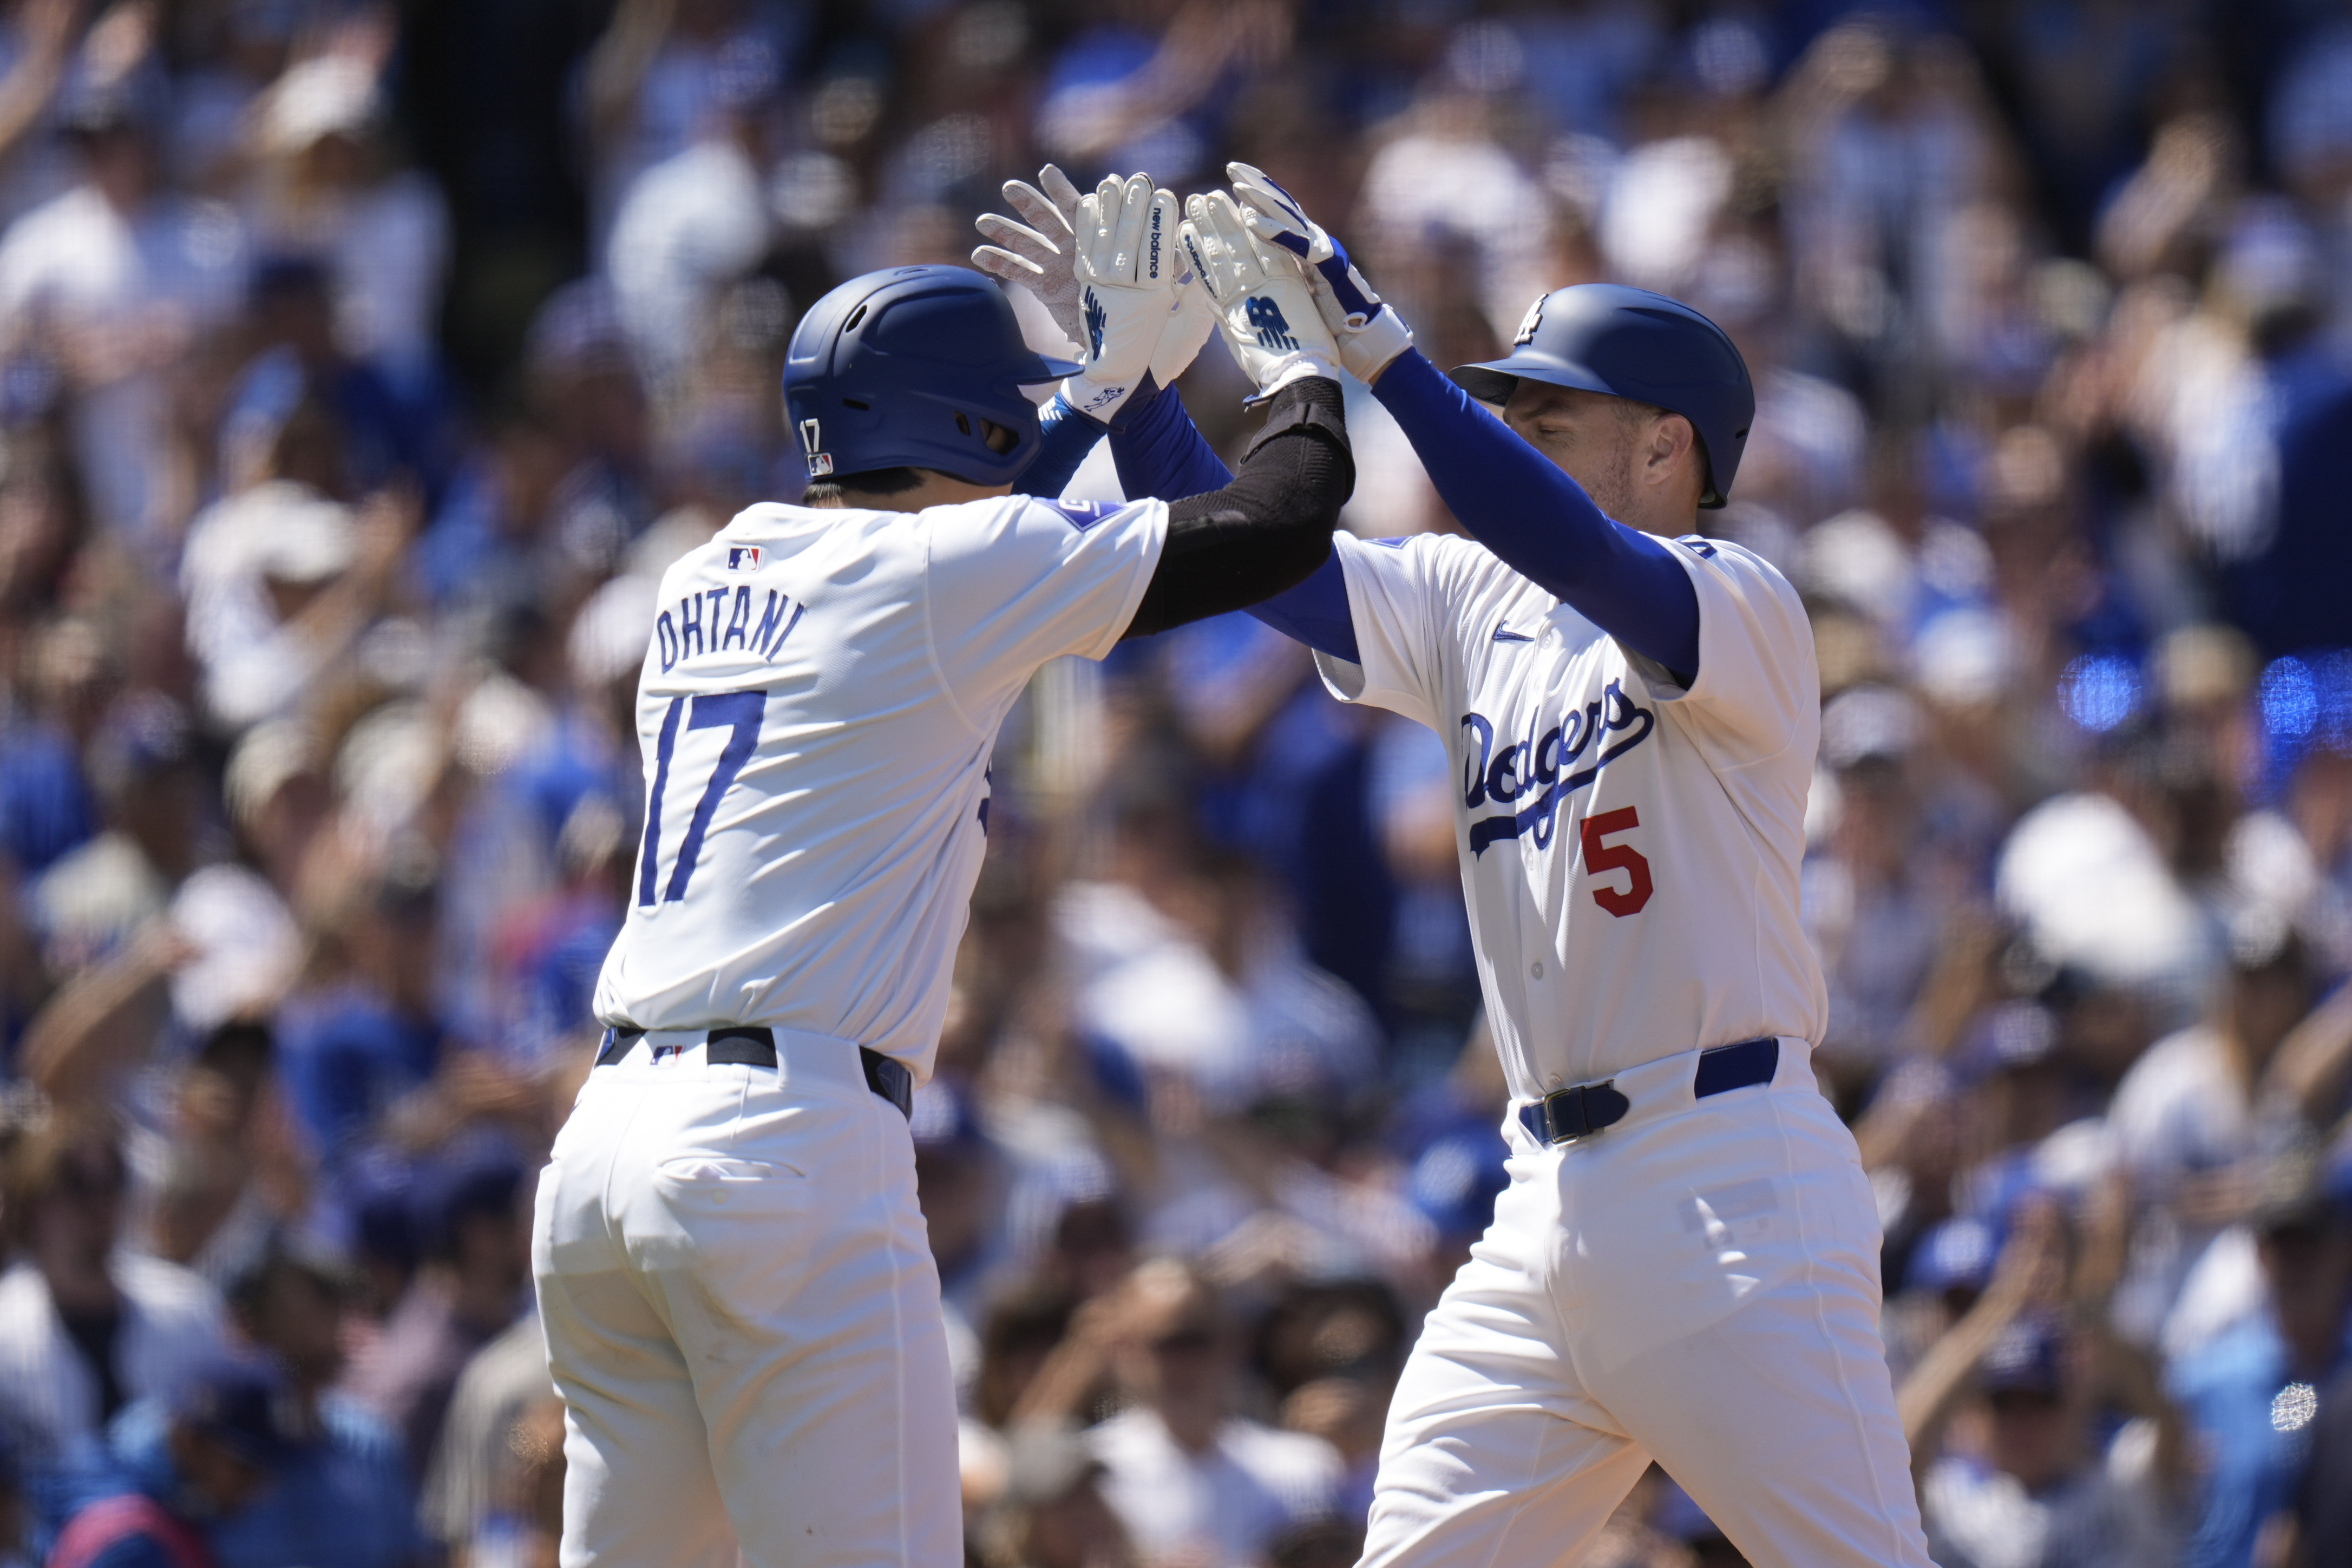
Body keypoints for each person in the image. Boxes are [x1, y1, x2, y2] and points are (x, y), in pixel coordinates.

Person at [977, 163, 1932, 1566]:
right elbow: (1269, 559)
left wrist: (1388, 359)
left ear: (1667, 449)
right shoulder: (1473, 603)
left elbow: (1554, 535)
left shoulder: (1741, 603)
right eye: (1508, 412)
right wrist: (1148, 386)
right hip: (1545, 1197)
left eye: (1550, 414)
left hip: (1730, 1180)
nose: (1510, 433)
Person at [531, 193, 1359, 1568]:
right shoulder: (941, 578)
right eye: (1009, 411)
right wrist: (1285, 350)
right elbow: (1282, 523)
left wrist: (1095, 396)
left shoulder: (700, 571)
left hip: (607, 1153)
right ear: (968, 425)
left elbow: (942, 562)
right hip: (782, 1152)